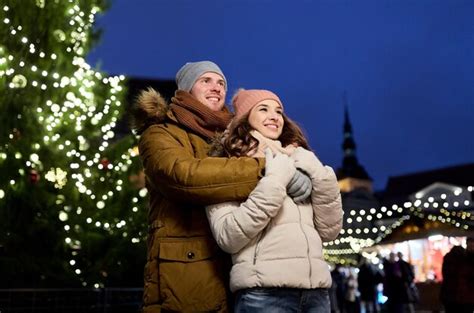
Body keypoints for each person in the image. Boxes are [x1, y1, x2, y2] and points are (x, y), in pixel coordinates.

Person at [131, 61, 312, 312]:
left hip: (241, 274)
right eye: (205, 80)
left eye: (221, 83)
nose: (216, 87)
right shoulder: (160, 133)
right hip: (185, 274)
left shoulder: (236, 137)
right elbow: (184, 176)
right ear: (185, 90)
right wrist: (270, 171)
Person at [205, 89, 344, 312]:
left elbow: (329, 231)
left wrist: (319, 174)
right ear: (245, 117)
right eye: (263, 109)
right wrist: (275, 179)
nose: (274, 116)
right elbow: (228, 236)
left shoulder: (300, 160)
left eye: (278, 111)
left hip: (316, 293)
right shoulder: (228, 163)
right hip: (264, 294)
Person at [440, 237, 474, 313]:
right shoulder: (466, 260)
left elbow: (445, 275)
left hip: (450, 297)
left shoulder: (449, 258)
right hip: (465, 297)